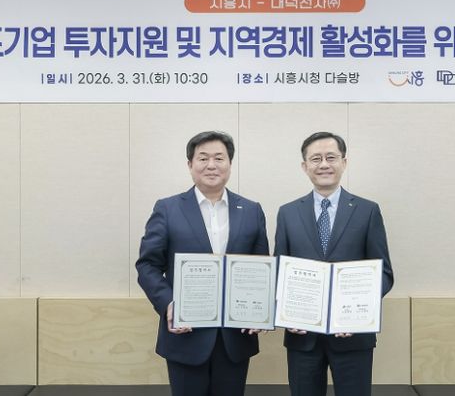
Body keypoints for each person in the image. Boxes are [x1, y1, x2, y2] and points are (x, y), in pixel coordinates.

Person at [136, 131, 269, 396]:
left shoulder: (252, 210)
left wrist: (260, 310)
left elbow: (261, 267)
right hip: (186, 335)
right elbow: (147, 265)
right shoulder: (168, 208)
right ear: (190, 164)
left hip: (235, 337)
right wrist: (169, 304)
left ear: (230, 163)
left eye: (219, 158)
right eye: (203, 158)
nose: (211, 165)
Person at [274, 131, 394, 396]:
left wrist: (358, 313)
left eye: (331, 157)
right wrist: (285, 310)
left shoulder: (367, 210)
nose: (324, 164)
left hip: (353, 336)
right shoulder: (288, 213)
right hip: (302, 336)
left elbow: (384, 273)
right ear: (305, 166)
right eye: (316, 158)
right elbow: (279, 271)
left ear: (344, 162)